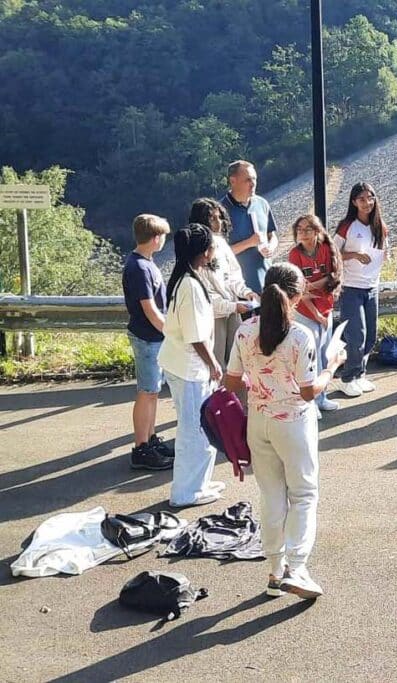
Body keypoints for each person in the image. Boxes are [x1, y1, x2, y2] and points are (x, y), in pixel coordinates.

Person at [225, 263, 343, 600]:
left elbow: (231, 381)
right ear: (297, 295)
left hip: (258, 420)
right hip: (293, 422)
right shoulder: (299, 336)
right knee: (302, 494)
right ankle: (298, 567)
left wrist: (258, 379)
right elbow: (308, 392)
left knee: (271, 494)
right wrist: (332, 367)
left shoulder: (245, 330)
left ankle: (275, 571)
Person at [157, 224, 224, 508]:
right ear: (205, 252)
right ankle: (187, 492)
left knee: (196, 428)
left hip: (181, 364)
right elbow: (195, 336)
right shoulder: (191, 285)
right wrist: (214, 365)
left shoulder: (186, 278)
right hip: (190, 368)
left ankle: (199, 483)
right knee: (195, 431)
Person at [121, 213, 174, 470]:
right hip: (147, 337)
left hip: (152, 337)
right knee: (147, 392)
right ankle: (141, 447)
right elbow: (150, 309)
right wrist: (170, 332)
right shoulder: (139, 268)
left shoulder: (145, 262)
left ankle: (150, 439)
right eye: (162, 236)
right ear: (155, 238)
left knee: (152, 392)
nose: (164, 240)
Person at [334, 182, 388, 398]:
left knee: (371, 335)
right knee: (356, 334)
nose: (367, 203)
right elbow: (332, 254)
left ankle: (360, 374)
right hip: (351, 287)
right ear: (354, 202)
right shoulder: (347, 226)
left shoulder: (380, 226)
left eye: (370, 198)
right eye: (362, 199)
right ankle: (347, 378)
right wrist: (354, 255)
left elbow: (384, 250)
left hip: (371, 286)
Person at [189, 198, 259, 365]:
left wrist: (246, 292)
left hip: (232, 309)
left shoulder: (221, 242)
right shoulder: (194, 249)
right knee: (216, 363)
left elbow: (233, 274)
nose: (218, 222)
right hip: (213, 316)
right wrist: (232, 306)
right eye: (212, 218)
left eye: (219, 217)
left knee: (238, 360)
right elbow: (204, 293)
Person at [288, 214, 342, 413]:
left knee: (325, 353)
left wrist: (312, 286)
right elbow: (300, 292)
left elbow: (332, 277)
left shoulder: (326, 249)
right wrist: (316, 314)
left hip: (325, 308)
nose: (302, 233)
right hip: (306, 312)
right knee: (312, 357)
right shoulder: (295, 255)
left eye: (307, 229)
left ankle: (322, 397)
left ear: (317, 231)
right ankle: (311, 402)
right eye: (299, 230)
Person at [222, 160, 279, 293]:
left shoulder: (262, 204)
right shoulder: (219, 212)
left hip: (268, 284)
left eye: (254, 179)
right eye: (248, 180)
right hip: (240, 291)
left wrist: (271, 247)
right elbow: (218, 254)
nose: (253, 184)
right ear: (233, 181)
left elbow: (272, 236)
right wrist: (249, 243)